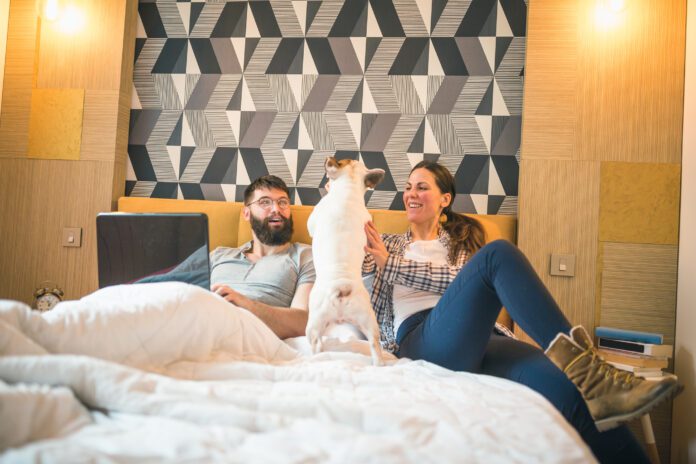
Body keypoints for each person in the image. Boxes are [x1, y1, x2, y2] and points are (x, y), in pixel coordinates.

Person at [362, 160, 681, 463]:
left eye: (421, 187)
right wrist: (360, 228)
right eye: (407, 187)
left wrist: (392, 267)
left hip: (484, 336)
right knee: (498, 254)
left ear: (445, 198)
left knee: (573, 389)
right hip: (423, 338)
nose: (410, 194)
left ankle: (591, 378)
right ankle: (592, 368)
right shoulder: (386, 243)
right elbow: (354, 279)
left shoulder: (460, 244)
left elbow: (457, 282)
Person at [210, 175, 314, 339]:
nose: (276, 209)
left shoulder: (305, 256)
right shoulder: (219, 255)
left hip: (252, 336)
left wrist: (245, 304)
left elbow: (303, 322)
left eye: (283, 202)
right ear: (246, 213)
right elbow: (168, 283)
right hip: (204, 324)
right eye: (265, 202)